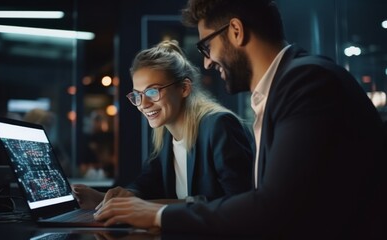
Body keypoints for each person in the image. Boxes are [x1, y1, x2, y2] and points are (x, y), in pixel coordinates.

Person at [94, 0, 387, 238]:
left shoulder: (306, 81)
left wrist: (157, 213)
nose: (207, 62)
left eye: (206, 46)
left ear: (236, 30)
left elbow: (273, 207)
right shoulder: (283, 88)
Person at [72, 40, 253, 210]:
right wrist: (105, 199)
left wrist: (148, 209)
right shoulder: (166, 135)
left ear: (184, 88)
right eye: (137, 95)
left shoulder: (219, 126)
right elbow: (148, 182)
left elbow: (239, 206)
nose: (143, 104)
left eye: (152, 91)